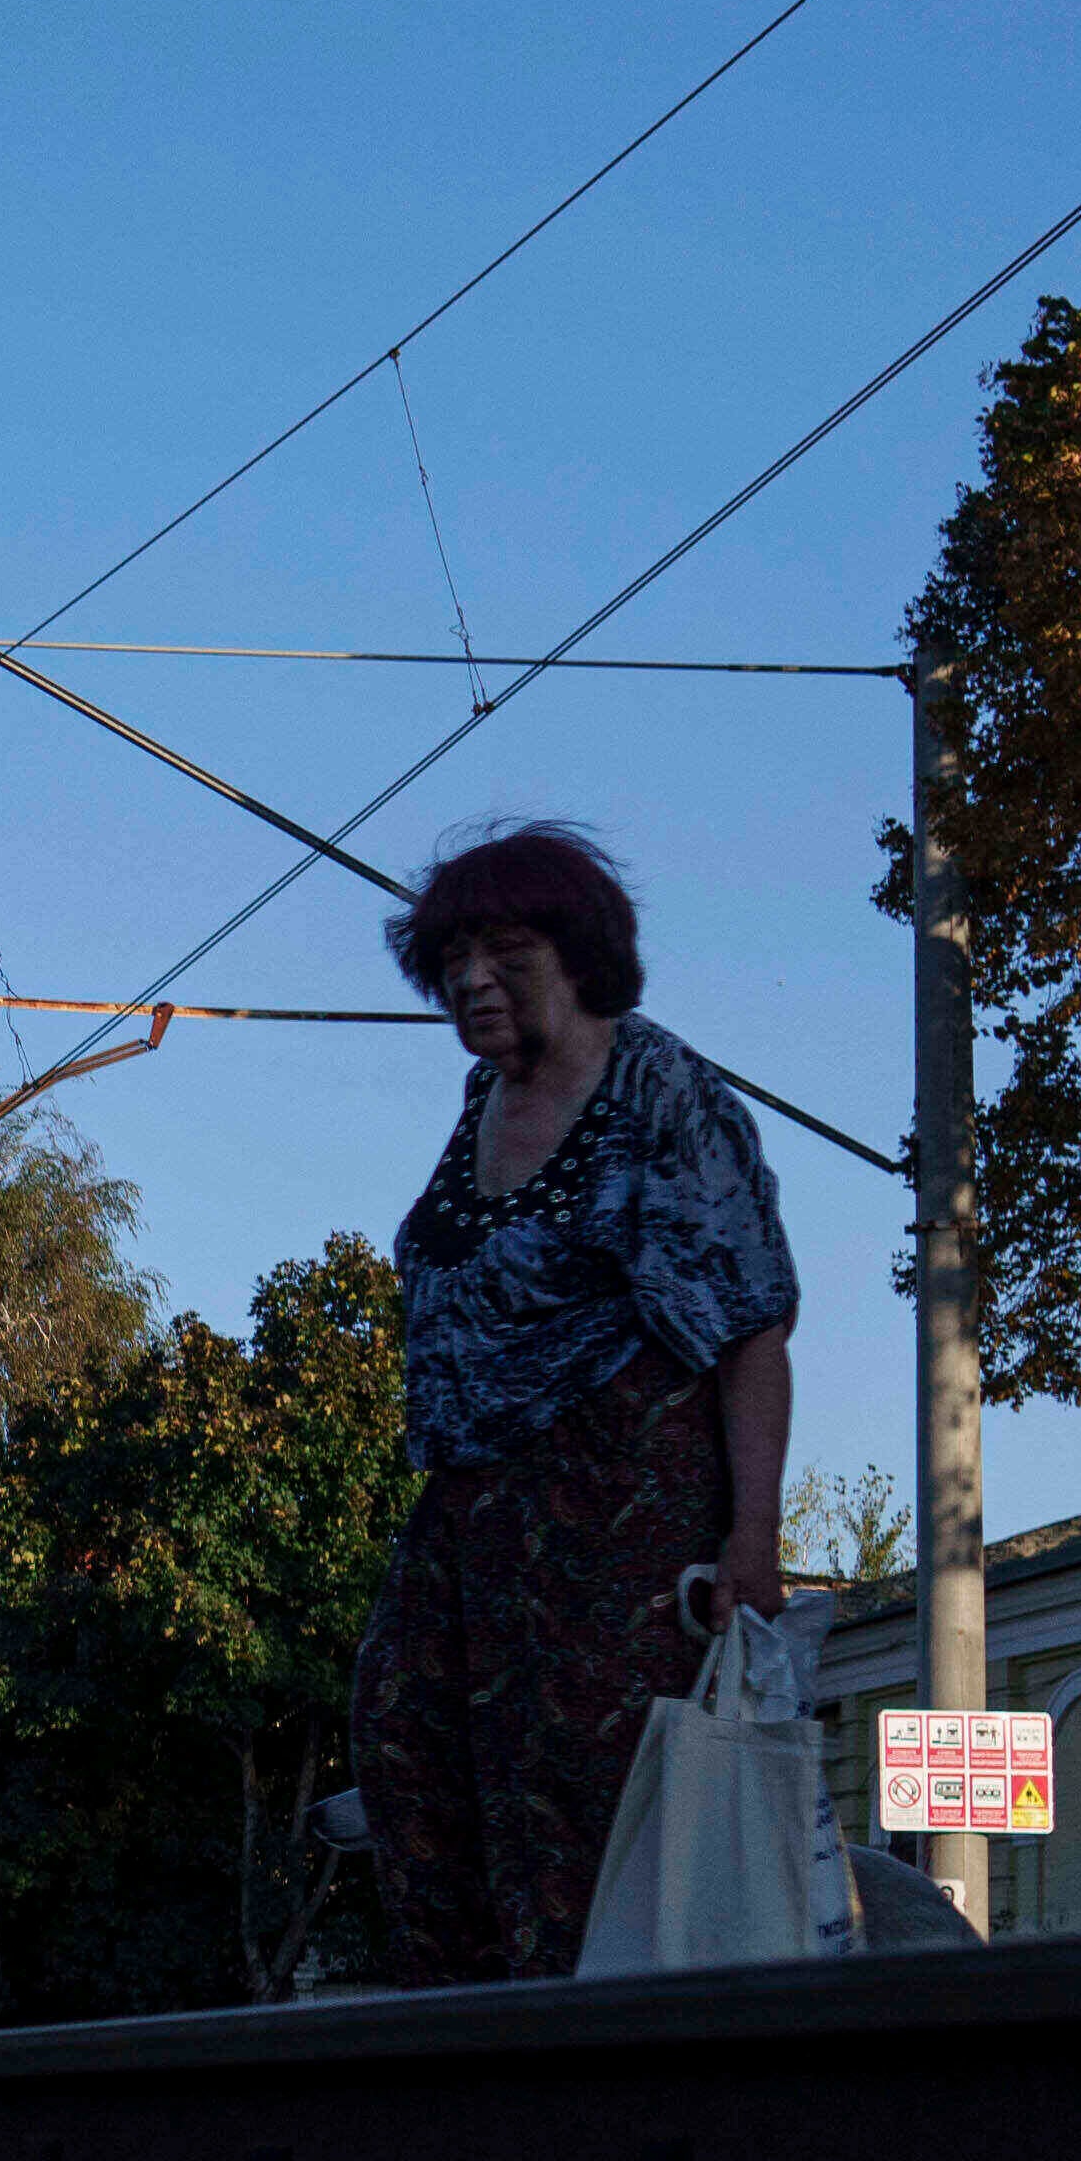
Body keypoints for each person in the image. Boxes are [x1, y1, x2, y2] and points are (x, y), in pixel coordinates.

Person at [344, 830, 797, 1985]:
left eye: (507, 950)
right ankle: (468, 2053)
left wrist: (753, 1540)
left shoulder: (657, 1092)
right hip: (469, 1512)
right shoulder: (478, 1104)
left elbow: (751, 1327)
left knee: (577, 1797)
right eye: (453, 957)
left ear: (580, 953)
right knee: (408, 1745)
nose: (471, 979)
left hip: (613, 1512)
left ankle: (591, 2071)